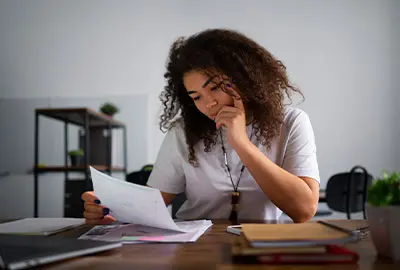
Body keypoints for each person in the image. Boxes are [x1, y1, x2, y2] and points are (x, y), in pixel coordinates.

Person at [82, 28, 320, 225]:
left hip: (259, 246)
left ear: (245, 78)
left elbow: (303, 209)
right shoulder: (184, 131)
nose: (209, 103)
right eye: (196, 97)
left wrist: (241, 143)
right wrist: (109, 209)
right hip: (193, 245)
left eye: (215, 87)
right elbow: (152, 202)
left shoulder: (291, 122)